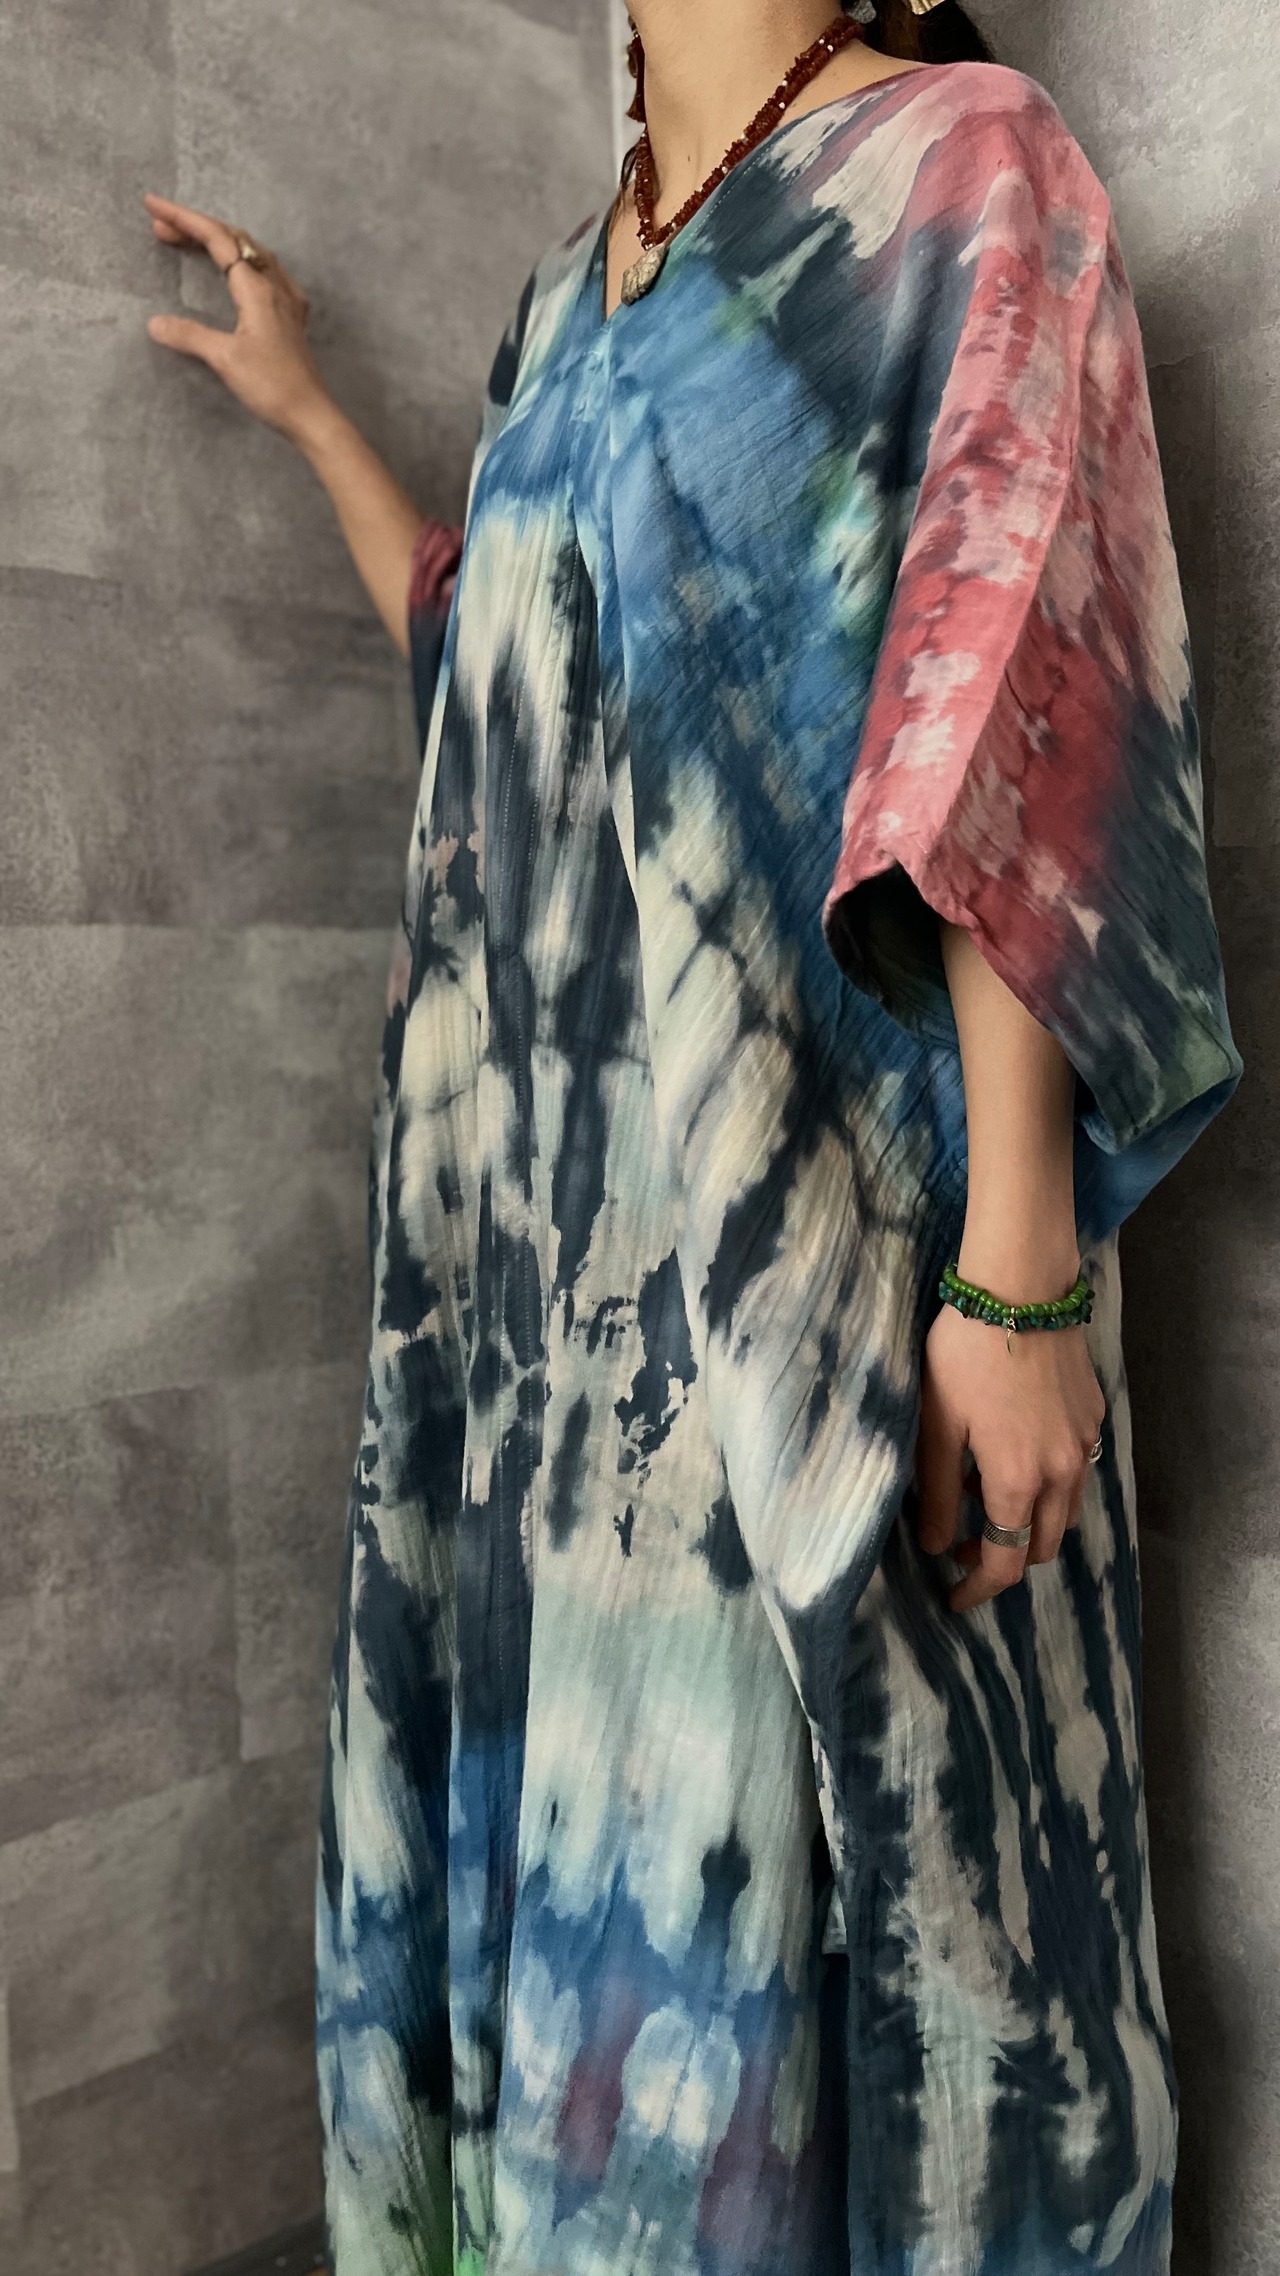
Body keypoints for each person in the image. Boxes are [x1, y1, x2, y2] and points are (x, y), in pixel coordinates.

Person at [145, 2, 1240, 2269]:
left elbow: (1019, 691)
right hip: (546, 1336)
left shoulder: (962, 170)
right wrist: (315, 415)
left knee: (839, 1947)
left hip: (833, 1290)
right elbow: (502, 668)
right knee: (606, 1954)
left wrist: (1019, 1264)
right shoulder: (566, 303)